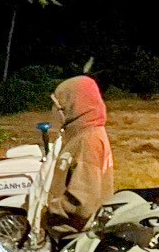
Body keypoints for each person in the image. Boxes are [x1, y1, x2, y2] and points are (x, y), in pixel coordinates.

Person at [46, 75, 114, 237]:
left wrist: (47, 208)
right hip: (71, 230)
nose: (55, 111)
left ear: (74, 106)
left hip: (74, 234)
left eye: (58, 106)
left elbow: (84, 203)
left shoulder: (88, 141)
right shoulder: (81, 135)